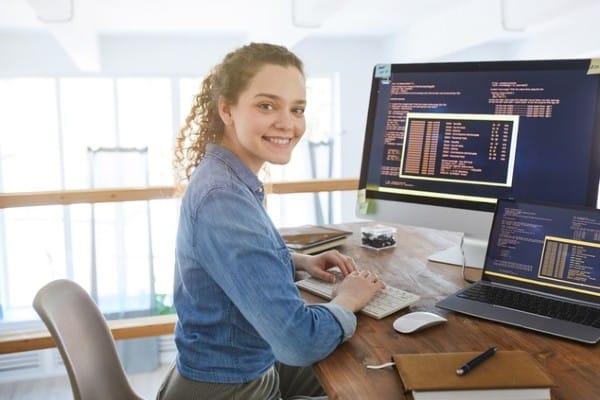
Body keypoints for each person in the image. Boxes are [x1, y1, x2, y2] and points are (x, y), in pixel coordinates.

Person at [157, 42, 385, 400]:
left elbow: (230, 261)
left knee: (365, 375)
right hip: (229, 389)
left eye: (298, 109)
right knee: (379, 388)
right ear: (226, 110)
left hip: (234, 369)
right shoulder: (223, 199)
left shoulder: (226, 178)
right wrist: (346, 300)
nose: (288, 124)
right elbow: (298, 343)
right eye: (267, 105)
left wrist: (297, 261)